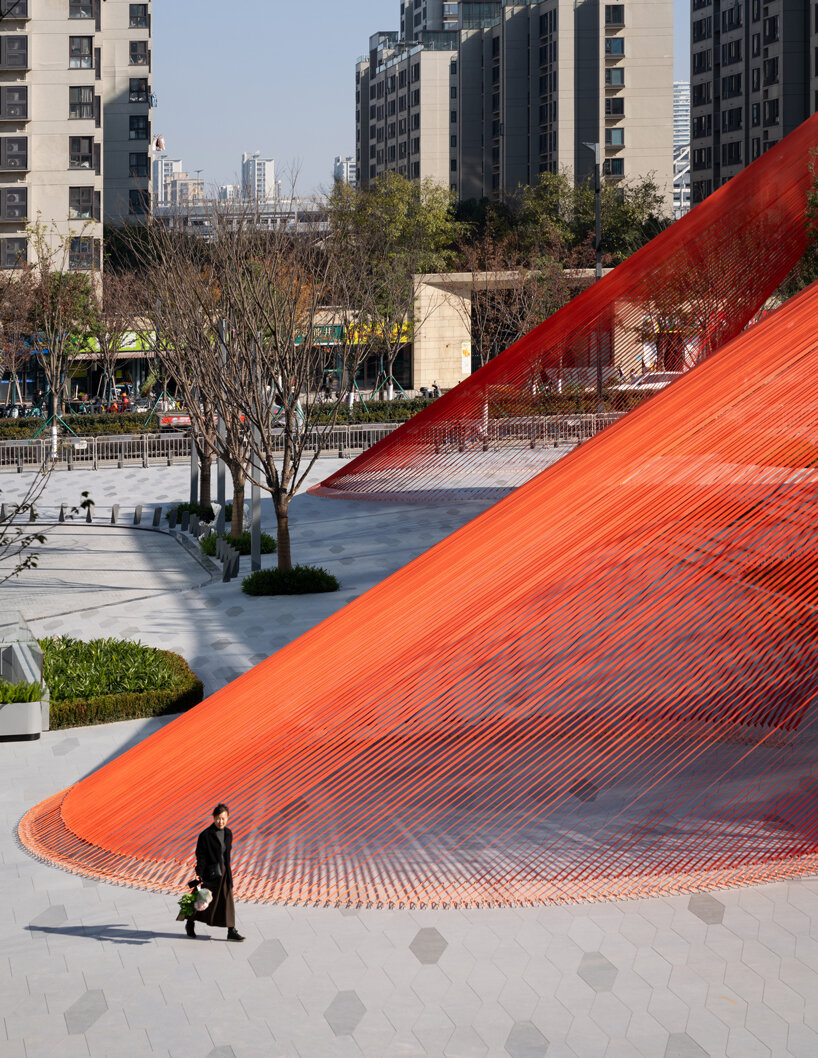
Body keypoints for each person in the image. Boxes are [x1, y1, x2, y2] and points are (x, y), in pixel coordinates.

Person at [186, 803, 245, 941]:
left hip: (224, 873)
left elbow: (226, 856)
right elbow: (201, 856)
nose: (221, 821)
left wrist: (229, 875)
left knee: (227, 901)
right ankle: (190, 923)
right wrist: (199, 873)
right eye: (218, 818)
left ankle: (231, 931)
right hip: (209, 873)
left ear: (228, 818)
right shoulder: (205, 835)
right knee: (201, 900)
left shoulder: (228, 833)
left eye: (224, 818)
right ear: (213, 818)